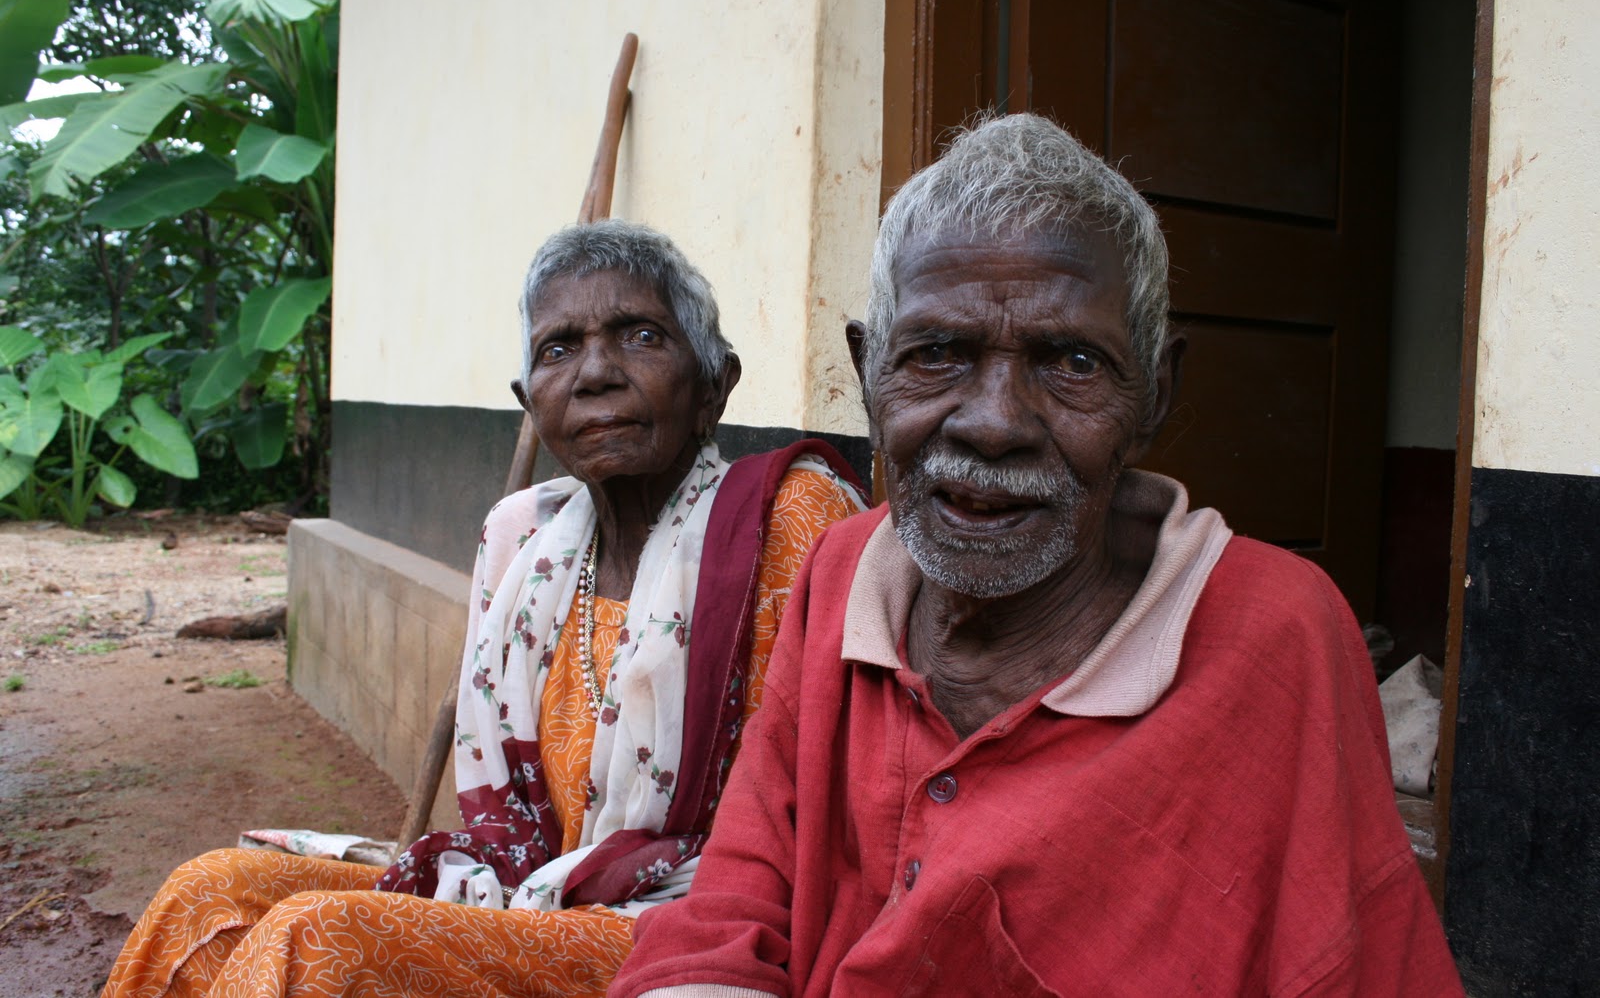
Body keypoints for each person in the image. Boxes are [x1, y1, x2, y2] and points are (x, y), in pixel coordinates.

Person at [611, 115, 1465, 996]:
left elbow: (1356, 965)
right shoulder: (842, 574)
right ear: (869, 373)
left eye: (1071, 363)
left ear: (1156, 395)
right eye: (937, 353)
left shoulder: (1276, 633)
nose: (993, 422)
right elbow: (736, 900)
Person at [102, 221, 865, 998]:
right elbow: (514, 835)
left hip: (693, 932)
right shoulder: (524, 539)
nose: (595, 373)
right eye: (558, 349)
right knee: (212, 891)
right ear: (529, 401)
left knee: (321, 940)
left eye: (640, 335)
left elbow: (836, 808)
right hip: (532, 890)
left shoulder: (790, 519)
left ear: (714, 386)